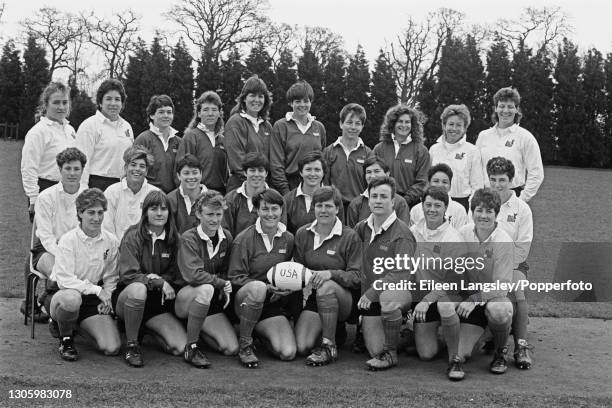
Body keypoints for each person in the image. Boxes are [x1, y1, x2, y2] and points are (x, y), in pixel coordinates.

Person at [45, 188, 121, 361]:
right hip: (63, 294)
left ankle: (74, 324)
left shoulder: (111, 241)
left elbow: (111, 276)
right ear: (80, 213)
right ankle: (66, 338)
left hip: (91, 297)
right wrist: (96, 290)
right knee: (72, 300)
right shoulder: (68, 240)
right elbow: (64, 280)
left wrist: (107, 297)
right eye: (91, 212)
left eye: (100, 212)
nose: (96, 218)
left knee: (112, 347)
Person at [114, 191, 187, 367]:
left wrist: (162, 279)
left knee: (179, 347)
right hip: (130, 295)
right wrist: (155, 280)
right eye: (154, 209)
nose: (159, 213)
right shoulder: (133, 235)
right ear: (145, 211)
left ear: (169, 212)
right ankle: (131, 345)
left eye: (164, 209)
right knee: (139, 289)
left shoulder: (174, 238)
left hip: (156, 301)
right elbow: (129, 274)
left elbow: (175, 273)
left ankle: (146, 329)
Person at [228, 189, 299, 367]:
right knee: (259, 287)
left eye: (274, 209)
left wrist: (286, 288)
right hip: (245, 300)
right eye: (265, 209)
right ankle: (245, 344)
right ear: (257, 211)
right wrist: (266, 287)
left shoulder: (289, 239)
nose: (270, 214)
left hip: (270, 305)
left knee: (288, 352)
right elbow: (234, 277)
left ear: (281, 210)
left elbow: (289, 271)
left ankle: (259, 334)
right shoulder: (243, 239)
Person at [294, 186, 362, 366]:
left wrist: (330, 274)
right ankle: (335, 331)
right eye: (319, 205)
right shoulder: (302, 234)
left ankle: (329, 346)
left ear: (338, 209)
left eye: (328, 206)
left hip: (344, 300)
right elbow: (299, 270)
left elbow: (357, 277)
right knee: (302, 346)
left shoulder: (350, 236)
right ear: (313, 208)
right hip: (314, 299)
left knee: (326, 286)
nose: (323, 210)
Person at [354, 176, 416, 370]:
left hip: (397, 292)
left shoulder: (402, 233)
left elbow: (401, 273)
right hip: (369, 296)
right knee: (374, 350)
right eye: (374, 196)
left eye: (383, 196)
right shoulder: (361, 227)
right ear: (369, 200)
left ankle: (392, 351)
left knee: (388, 299)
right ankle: (400, 334)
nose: (378, 200)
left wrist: (372, 292)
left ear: (393, 201)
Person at [409, 186, 468, 381]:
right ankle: (441, 332)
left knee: (444, 304)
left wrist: (427, 299)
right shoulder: (413, 231)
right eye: (428, 204)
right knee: (426, 354)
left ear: (445, 209)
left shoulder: (453, 238)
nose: (432, 209)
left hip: (450, 293)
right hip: (424, 295)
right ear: (422, 205)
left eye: (437, 205)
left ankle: (455, 358)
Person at [457, 188, 515, 375]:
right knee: (462, 353)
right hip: (469, 299)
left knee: (500, 312)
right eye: (479, 210)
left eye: (489, 211)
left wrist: (475, 298)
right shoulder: (463, 234)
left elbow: (502, 286)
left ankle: (500, 352)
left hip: (493, 298)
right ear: (472, 212)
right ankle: (487, 333)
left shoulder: (503, 241)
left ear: (496, 214)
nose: (483, 216)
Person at [177, 191, 237, 368]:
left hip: (209, 302)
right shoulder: (188, 238)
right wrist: (221, 283)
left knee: (231, 348)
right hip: (186, 299)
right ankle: (191, 347)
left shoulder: (227, 237)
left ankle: (197, 331)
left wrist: (224, 281)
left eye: (218, 214)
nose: (214, 219)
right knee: (206, 288)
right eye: (209, 214)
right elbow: (193, 275)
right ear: (198, 214)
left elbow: (226, 270)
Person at [28, 148, 87, 322]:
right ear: (60, 170)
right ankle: (57, 317)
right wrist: (63, 255)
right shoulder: (46, 197)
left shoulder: (88, 194)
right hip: (47, 250)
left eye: (76, 169)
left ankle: (52, 300)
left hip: (78, 250)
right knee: (60, 275)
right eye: (67, 168)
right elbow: (45, 237)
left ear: (83, 170)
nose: (72, 173)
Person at [486, 156, 534, 369]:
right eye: (493, 179)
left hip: (515, 263)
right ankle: (493, 337)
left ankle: (520, 345)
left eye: (502, 180)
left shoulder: (522, 209)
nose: (497, 185)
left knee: (516, 287)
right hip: (486, 264)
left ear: (511, 180)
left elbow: (523, 248)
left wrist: (504, 267)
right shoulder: (480, 203)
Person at [476, 87, 544, 202]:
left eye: (510, 107)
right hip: (486, 197)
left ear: (517, 109)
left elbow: (536, 173)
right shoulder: (483, 136)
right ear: (496, 108)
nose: (505, 111)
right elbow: (475, 170)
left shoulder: (525, 137)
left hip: (513, 196)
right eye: (502, 106)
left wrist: (521, 200)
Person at [21, 82, 76, 222]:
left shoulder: (70, 130)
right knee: (45, 241)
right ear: (46, 104)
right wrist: (33, 197)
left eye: (65, 102)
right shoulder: (38, 132)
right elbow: (28, 168)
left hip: (69, 190)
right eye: (56, 102)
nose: (61, 107)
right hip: (45, 190)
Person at [270, 80, 327, 195]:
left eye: (306, 101)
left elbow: (322, 160)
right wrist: (286, 193)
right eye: (297, 101)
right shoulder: (280, 126)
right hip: (288, 186)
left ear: (311, 102)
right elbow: (276, 165)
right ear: (291, 103)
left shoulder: (319, 127)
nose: (302, 105)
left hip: (314, 185)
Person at [76, 79, 134, 191]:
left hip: (121, 185)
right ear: (100, 102)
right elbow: (81, 162)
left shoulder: (127, 127)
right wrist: (83, 190)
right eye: (108, 99)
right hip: (96, 184)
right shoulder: (89, 125)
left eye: (117, 99)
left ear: (122, 103)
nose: (113, 103)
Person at [429, 104, 484, 212]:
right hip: (436, 203)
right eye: (451, 124)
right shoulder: (434, 149)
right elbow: (428, 182)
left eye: (459, 125)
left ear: (465, 128)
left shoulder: (472, 151)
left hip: (463, 204)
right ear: (444, 125)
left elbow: (477, 186)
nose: (454, 128)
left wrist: (471, 210)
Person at [373, 105, 430, 209]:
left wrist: (404, 201)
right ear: (393, 123)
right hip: (383, 202)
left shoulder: (421, 151)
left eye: (407, 122)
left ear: (412, 125)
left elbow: (422, 182)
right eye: (400, 121)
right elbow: (373, 176)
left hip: (409, 204)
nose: (404, 125)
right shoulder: (379, 149)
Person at [224, 75, 273, 191]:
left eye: (260, 96)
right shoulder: (235, 122)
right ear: (244, 99)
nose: (256, 100)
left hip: (262, 185)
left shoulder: (267, 126)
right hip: (241, 186)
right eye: (252, 95)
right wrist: (255, 181)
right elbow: (237, 161)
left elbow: (271, 159)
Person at [322, 103, 373, 212]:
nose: (353, 127)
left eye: (357, 123)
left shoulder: (368, 153)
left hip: (360, 209)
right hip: (334, 208)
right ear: (341, 124)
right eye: (349, 122)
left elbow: (371, 184)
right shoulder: (328, 152)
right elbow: (324, 184)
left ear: (362, 127)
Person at [103, 146, 160, 240]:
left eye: (142, 166)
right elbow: (106, 227)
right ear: (126, 168)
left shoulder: (155, 193)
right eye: (133, 165)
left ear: (146, 171)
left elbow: (156, 227)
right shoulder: (112, 192)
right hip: (116, 250)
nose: (137, 169)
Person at [223, 152, 285, 238]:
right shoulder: (230, 199)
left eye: (260, 170)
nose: (256, 174)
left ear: (266, 173)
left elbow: (281, 230)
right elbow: (226, 233)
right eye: (252, 170)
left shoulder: (277, 199)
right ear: (245, 172)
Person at [178, 91, 228, 195]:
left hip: (220, 194)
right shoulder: (191, 137)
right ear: (199, 113)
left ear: (219, 113)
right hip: (197, 194)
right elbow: (180, 169)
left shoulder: (222, 140)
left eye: (214, 110)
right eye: (205, 110)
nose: (210, 113)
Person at [283, 151, 344, 234]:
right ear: (301, 172)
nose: (312, 174)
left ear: (323, 173)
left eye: (317, 170)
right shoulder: (287, 200)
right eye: (308, 169)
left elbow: (340, 230)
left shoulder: (334, 198)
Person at [134, 95, 182, 193]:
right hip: (149, 195)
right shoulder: (143, 139)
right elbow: (134, 169)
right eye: (161, 112)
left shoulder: (179, 142)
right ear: (151, 115)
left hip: (173, 196)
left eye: (169, 112)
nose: (166, 115)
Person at [346, 156, 410, 228]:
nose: (372, 176)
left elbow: (403, 231)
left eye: (377, 171)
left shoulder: (400, 202)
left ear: (387, 173)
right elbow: (352, 236)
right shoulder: (355, 204)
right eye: (369, 172)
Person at [410, 163, 468, 230]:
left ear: (450, 186)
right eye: (436, 181)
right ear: (428, 184)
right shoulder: (416, 210)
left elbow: (460, 237)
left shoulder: (459, 210)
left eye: (445, 182)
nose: (440, 185)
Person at [167, 154, 208, 234]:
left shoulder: (213, 198)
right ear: (178, 176)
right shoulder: (170, 200)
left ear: (201, 174)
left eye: (195, 172)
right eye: (186, 173)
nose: (191, 177)